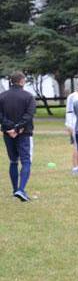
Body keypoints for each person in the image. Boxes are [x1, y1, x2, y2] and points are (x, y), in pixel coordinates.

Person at [0, 71, 36, 202]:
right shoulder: (28, 97)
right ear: (22, 81)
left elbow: (1, 115)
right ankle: (21, 189)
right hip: (24, 133)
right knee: (26, 161)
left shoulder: (2, 96)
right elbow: (29, 114)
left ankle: (15, 189)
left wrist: (10, 127)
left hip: (8, 133)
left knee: (13, 161)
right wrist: (18, 127)